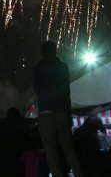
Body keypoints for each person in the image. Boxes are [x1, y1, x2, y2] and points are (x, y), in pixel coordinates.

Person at [33, 41, 86, 177]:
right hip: (61, 112)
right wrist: (68, 114)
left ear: (42, 53)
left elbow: (37, 89)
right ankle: (79, 174)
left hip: (45, 113)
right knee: (68, 148)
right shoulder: (63, 67)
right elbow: (66, 91)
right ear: (55, 51)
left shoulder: (38, 68)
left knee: (50, 150)